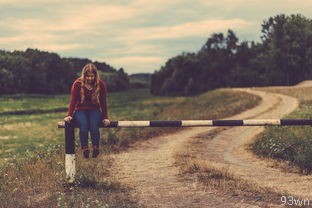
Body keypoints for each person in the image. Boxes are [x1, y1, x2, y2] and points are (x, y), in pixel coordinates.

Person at [64, 63, 110, 158]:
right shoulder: (77, 84)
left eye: (92, 76)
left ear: (95, 75)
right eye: (87, 76)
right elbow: (73, 100)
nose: (89, 78)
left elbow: (103, 102)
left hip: (95, 110)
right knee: (84, 125)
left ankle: (96, 147)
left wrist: (105, 117)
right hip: (80, 110)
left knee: (94, 125)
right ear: (84, 75)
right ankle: (84, 148)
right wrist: (69, 115)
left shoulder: (100, 84)